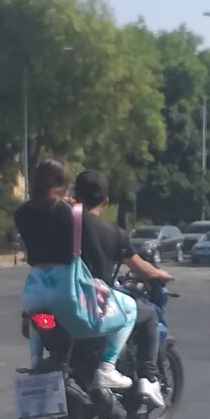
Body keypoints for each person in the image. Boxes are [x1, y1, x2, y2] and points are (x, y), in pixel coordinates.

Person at [14, 159, 137, 391]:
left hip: (35, 293)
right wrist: (72, 208)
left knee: (39, 321)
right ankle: (108, 369)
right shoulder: (73, 214)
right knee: (129, 308)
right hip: (66, 294)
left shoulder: (20, 214)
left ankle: (36, 361)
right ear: (63, 185)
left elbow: (43, 218)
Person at [73, 169, 172, 408]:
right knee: (148, 315)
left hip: (60, 300)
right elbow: (141, 268)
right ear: (106, 202)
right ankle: (148, 379)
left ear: (75, 196)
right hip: (95, 304)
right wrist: (161, 274)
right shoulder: (114, 234)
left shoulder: (63, 225)